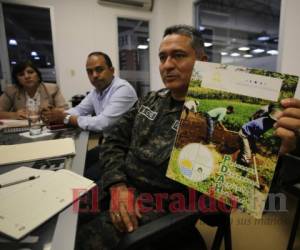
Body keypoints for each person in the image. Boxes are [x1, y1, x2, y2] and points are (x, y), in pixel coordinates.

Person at [75, 25, 300, 250]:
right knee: (65, 218)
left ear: (202, 61)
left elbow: (230, 206)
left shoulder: (207, 117)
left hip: (163, 207)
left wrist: (273, 155)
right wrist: (117, 186)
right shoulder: (151, 99)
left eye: (178, 56)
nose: (167, 65)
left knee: (79, 242)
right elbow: (114, 140)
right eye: (162, 57)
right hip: (118, 187)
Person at [41, 51, 137, 134]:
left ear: (111, 71)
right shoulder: (96, 92)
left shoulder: (123, 89)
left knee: (78, 154)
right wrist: (55, 115)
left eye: (99, 70)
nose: (94, 75)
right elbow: (80, 110)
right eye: (90, 71)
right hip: (110, 142)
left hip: (127, 148)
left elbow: (102, 123)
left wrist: (65, 118)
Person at [0, 60, 68, 119]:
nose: (27, 76)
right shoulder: (11, 91)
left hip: (46, 128)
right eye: (21, 74)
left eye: (30, 72)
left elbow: (66, 110)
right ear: (17, 80)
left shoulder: (52, 89)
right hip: (21, 129)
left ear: (38, 76)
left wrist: (53, 112)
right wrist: (14, 115)